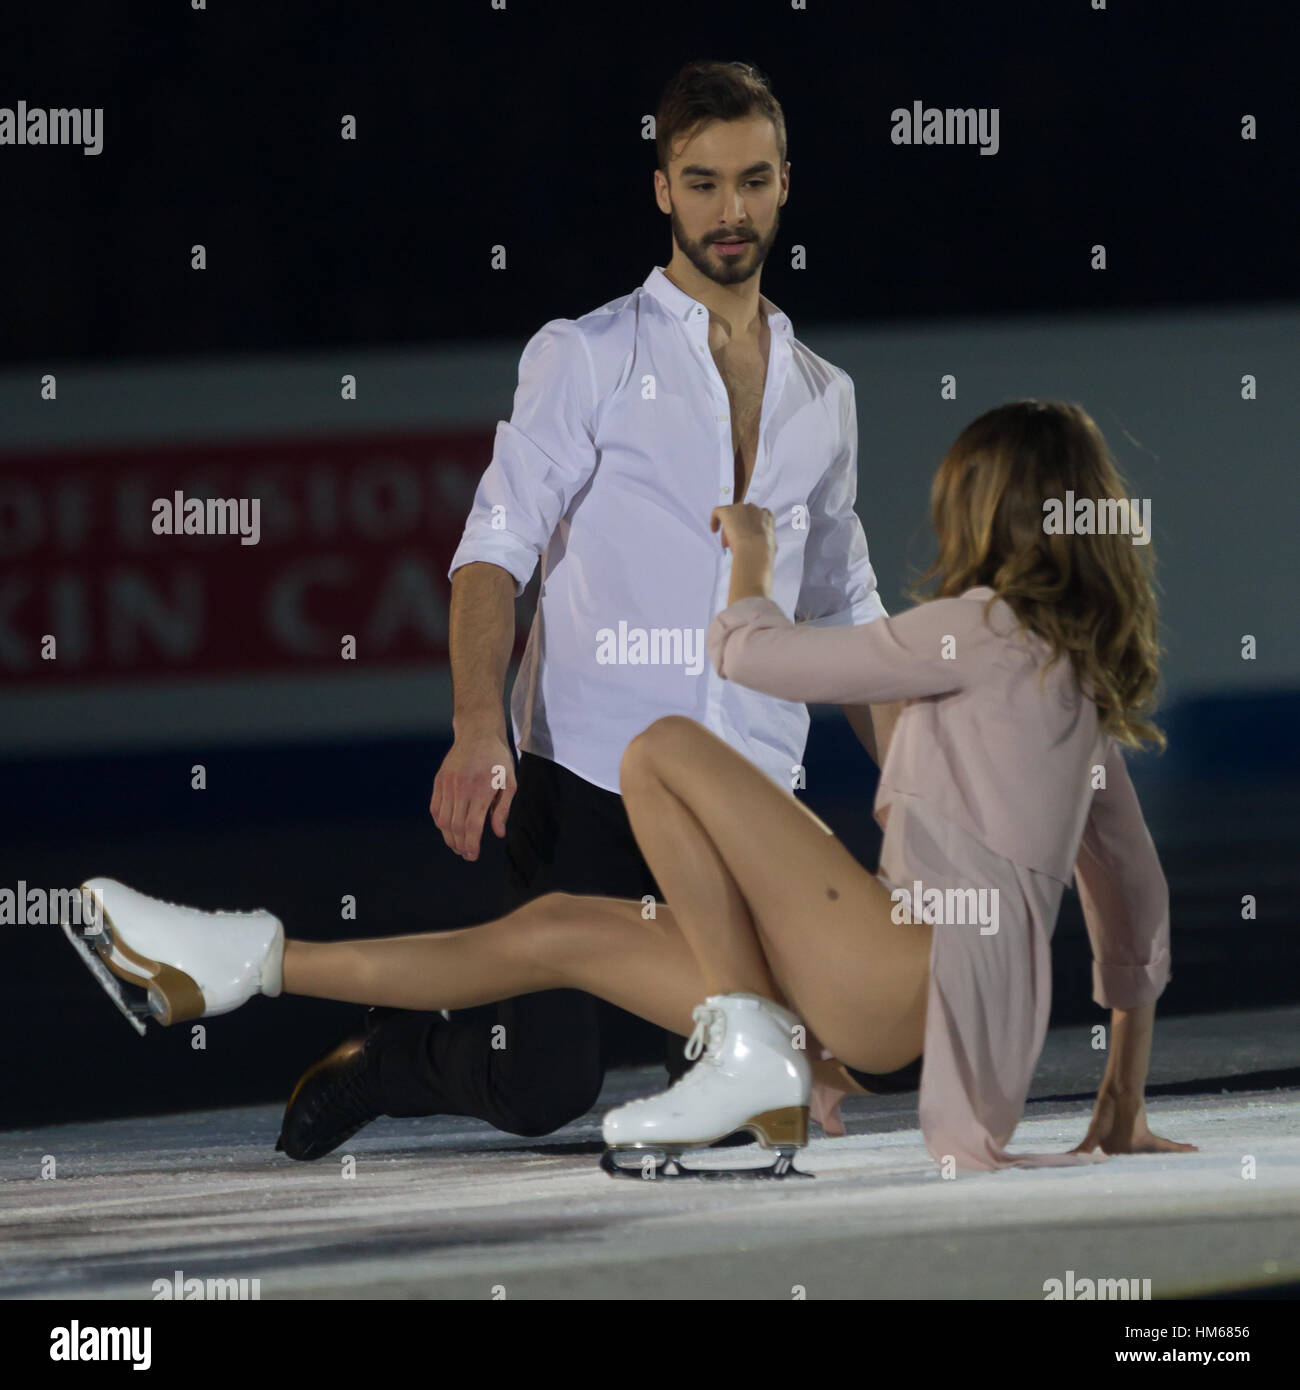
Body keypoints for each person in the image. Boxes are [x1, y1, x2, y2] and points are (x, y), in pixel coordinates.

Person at [67, 400, 1196, 1174]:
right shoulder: (1079, 688)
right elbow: (1132, 906)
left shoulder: (974, 627)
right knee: (558, 928)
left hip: (894, 964)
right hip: (922, 1013)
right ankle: (235, 965)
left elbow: (750, 654)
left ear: (984, 511)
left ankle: (754, 1047)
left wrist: (750, 550)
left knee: (660, 746)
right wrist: (1119, 1102)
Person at [273, 58, 907, 1162]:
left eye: (752, 181)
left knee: (743, 1106)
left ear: (786, 185)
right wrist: (480, 726)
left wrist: (909, 781)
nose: (730, 210)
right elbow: (492, 551)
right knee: (542, 1083)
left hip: (747, 791)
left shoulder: (824, 395)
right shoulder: (588, 355)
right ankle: (395, 1056)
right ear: (662, 188)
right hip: (591, 782)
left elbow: (845, 601)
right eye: (702, 183)